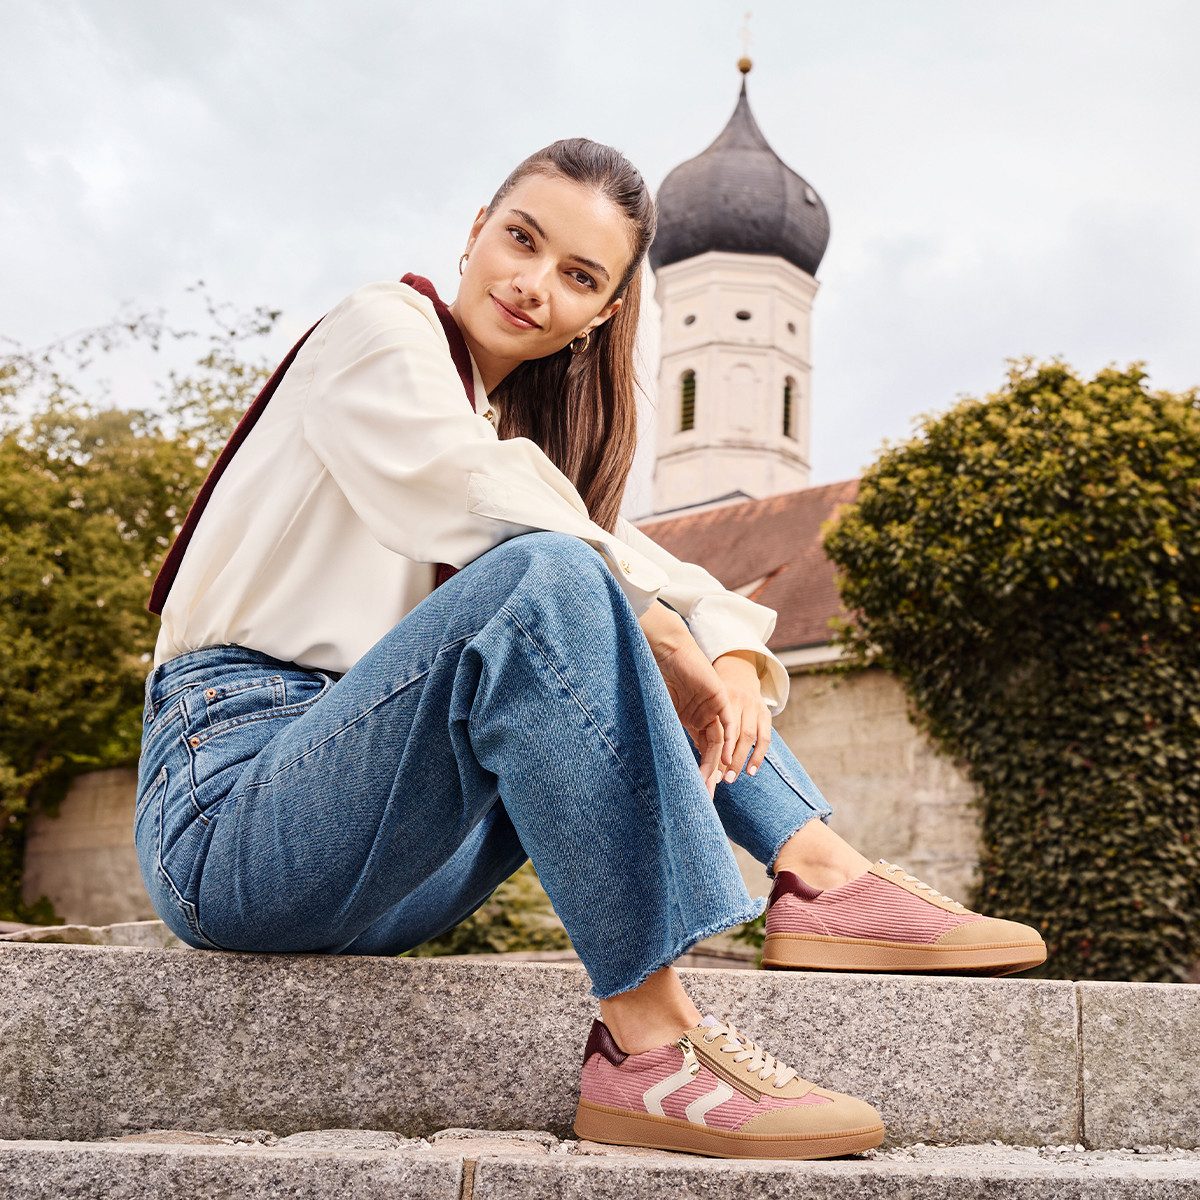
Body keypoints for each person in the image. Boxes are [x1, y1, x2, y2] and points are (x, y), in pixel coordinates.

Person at [135, 137, 1046, 1161]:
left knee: (584, 589)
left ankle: (819, 871)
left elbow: (650, 566)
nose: (533, 285)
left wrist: (725, 651)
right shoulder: (380, 330)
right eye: (521, 240)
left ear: (604, 314)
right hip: (229, 824)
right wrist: (667, 633)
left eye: (578, 277)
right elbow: (480, 500)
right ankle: (648, 1040)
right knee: (562, 583)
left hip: (377, 866)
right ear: (476, 230)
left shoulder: (505, 438)